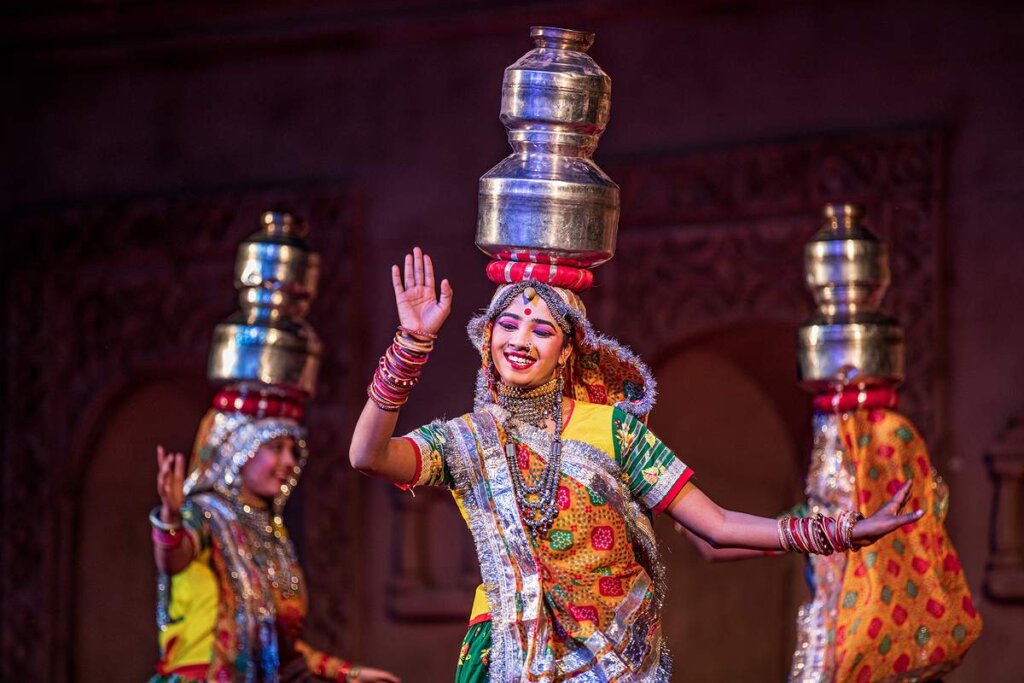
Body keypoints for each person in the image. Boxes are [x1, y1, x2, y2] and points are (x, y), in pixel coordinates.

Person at [349, 248, 923, 682]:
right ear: (489, 337)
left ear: (568, 349)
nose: (521, 340)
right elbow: (367, 455)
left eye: (542, 329)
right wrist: (410, 344)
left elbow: (716, 529)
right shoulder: (469, 440)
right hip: (507, 655)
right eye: (508, 324)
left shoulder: (613, 430)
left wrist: (842, 531)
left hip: (615, 659)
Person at [151, 398, 400, 683]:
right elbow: (174, 560)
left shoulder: (272, 532)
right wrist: (170, 518)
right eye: (275, 447)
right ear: (239, 449)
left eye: (292, 450)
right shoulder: (204, 514)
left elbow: (280, 649)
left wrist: (347, 673)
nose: (290, 461)